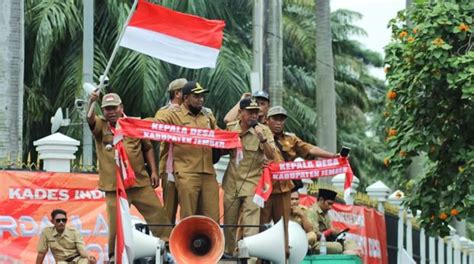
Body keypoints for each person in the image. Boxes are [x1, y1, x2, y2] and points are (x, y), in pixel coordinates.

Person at [87, 92, 171, 261]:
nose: (110, 112)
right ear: (102, 111)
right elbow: (89, 120)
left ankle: (169, 250)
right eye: (106, 109)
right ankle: (113, 257)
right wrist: (91, 102)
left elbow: (147, 148)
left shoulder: (134, 123)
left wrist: (153, 171)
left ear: (121, 108)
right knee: (116, 225)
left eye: (114, 108)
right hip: (114, 187)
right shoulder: (101, 126)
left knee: (158, 216)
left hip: (139, 183)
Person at [154, 81, 220, 222]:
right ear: (185, 98)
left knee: (212, 217)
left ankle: (210, 244)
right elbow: (155, 125)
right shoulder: (172, 114)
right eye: (196, 96)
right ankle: (176, 243)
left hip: (208, 171)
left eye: (202, 96)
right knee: (188, 216)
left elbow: (219, 134)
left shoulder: (207, 115)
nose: (200, 99)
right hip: (186, 171)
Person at [222, 98, 275, 255]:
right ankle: (229, 254)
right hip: (231, 183)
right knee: (230, 223)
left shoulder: (263, 130)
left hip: (252, 184)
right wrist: (239, 101)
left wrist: (262, 140)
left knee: (251, 224)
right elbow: (226, 119)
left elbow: (271, 154)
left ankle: (249, 257)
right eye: (250, 112)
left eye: (256, 113)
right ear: (241, 113)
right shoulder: (231, 128)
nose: (254, 116)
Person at [154, 78, 187, 223]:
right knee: (169, 210)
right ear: (178, 93)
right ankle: (167, 242)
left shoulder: (196, 113)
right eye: (188, 92)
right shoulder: (164, 112)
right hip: (170, 168)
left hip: (189, 168)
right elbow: (157, 128)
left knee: (188, 210)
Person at [306, 188, 357, 254]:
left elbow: (330, 231)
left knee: (350, 243)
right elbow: (313, 234)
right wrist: (329, 232)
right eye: (329, 203)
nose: (330, 207)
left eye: (331, 204)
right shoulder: (311, 212)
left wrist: (335, 233)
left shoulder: (326, 213)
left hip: (326, 241)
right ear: (321, 200)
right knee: (337, 247)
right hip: (314, 244)